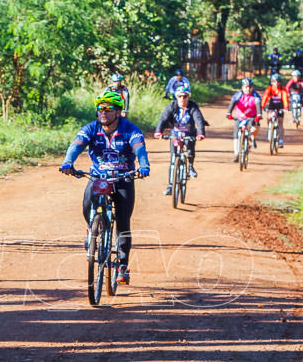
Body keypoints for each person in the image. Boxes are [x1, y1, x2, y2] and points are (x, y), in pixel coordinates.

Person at [59, 90, 150, 285]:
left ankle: (122, 267)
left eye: (108, 109)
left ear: (118, 112)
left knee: (124, 221)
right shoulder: (91, 129)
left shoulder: (130, 130)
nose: (103, 113)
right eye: (100, 109)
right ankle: (92, 229)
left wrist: (144, 166)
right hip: (98, 176)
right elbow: (76, 145)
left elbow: (139, 148)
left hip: (123, 178)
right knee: (86, 204)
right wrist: (68, 162)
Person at [154, 83, 206, 194]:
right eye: (179, 96)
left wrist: (200, 134)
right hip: (175, 134)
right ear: (176, 97)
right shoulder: (172, 106)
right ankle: (170, 186)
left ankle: (190, 166)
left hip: (189, 133)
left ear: (189, 97)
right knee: (173, 160)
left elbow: (199, 119)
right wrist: (159, 132)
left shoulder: (193, 107)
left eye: (185, 96)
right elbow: (163, 118)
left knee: (190, 150)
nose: (182, 99)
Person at [226, 78, 263, 162]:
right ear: (242, 87)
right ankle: (236, 154)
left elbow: (258, 106)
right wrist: (229, 113)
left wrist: (259, 115)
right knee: (236, 136)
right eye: (246, 87)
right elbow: (232, 104)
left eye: (250, 87)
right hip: (239, 117)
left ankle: (252, 138)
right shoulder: (238, 95)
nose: (248, 89)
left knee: (254, 128)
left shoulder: (255, 96)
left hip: (251, 117)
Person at [262, 73, 289, 148]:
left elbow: (285, 98)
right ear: (271, 82)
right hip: (272, 106)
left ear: (280, 82)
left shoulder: (283, 89)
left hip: (280, 106)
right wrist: (262, 106)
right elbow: (265, 97)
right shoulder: (269, 89)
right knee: (269, 117)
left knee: (280, 122)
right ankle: (269, 129)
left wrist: (286, 107)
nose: (276, 83)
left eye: (277, 81)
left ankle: (281, 140)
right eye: (274, 81)